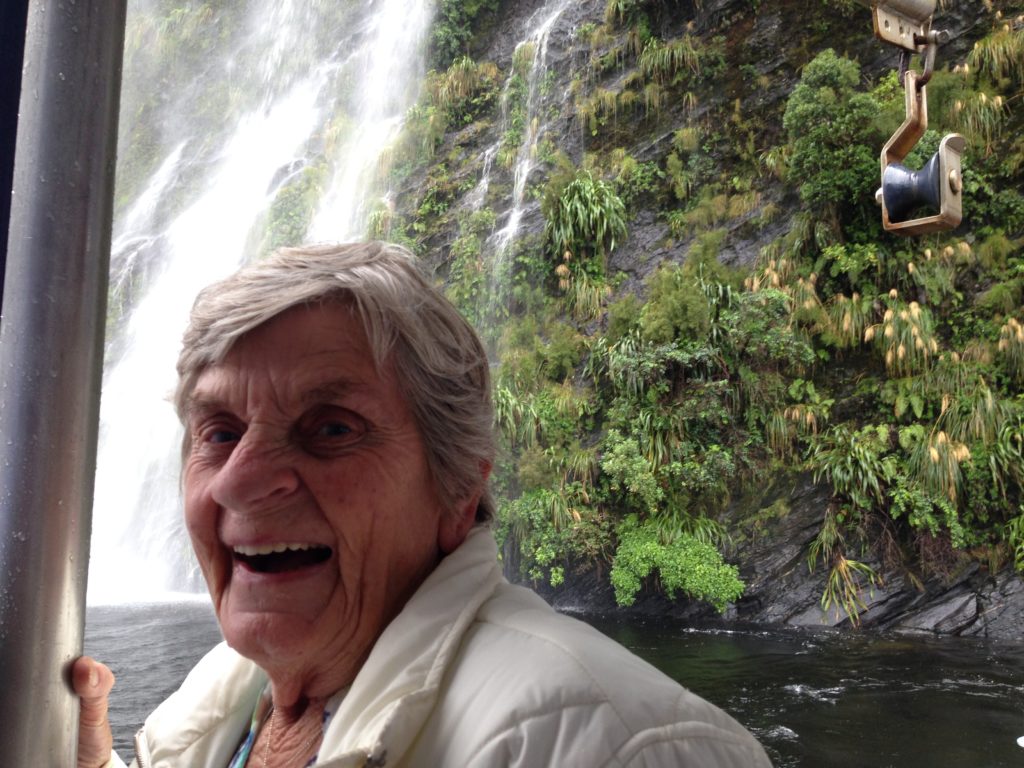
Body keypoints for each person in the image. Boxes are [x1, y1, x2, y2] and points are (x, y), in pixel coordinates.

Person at [74, 242, 773, 768]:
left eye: (331, 429)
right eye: (219, 433)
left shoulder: (614, 742)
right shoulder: (236, 686)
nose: (237, 481)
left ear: (459, 487)